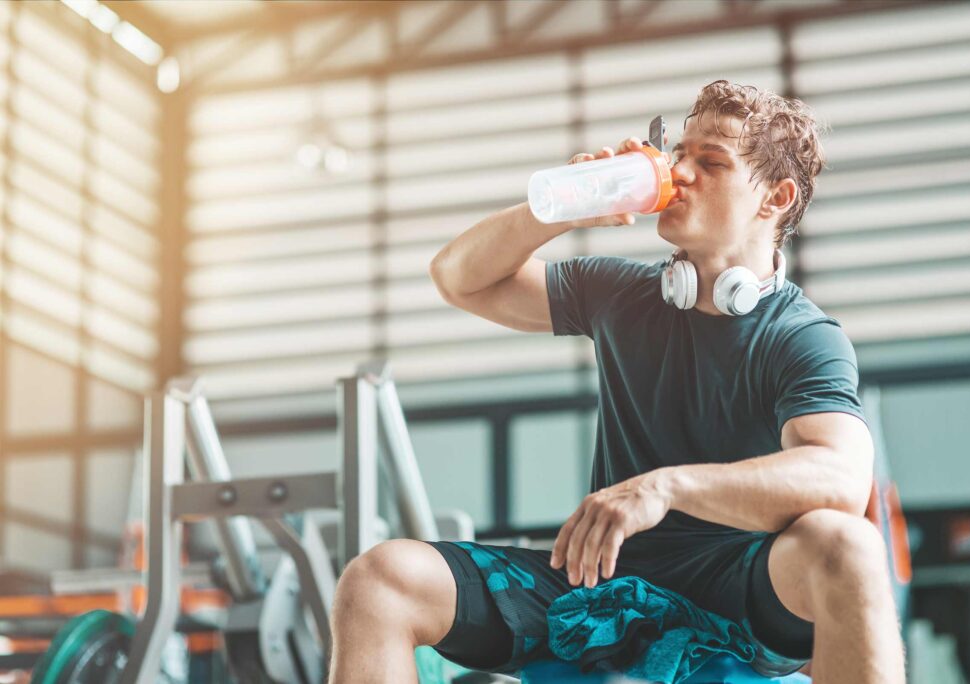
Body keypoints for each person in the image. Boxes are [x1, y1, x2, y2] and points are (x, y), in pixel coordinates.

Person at [329, 80, 906, 684]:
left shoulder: (802, 336)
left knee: (848, 546)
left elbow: (840, 478)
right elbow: (458, 278)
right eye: (679, 153)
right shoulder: (618, 293)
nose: (680, 173)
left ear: (775, 198)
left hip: (740, 589)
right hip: (599, 585)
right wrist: (556, 210)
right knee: (378, 582)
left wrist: (667, 488)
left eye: (710, 162)